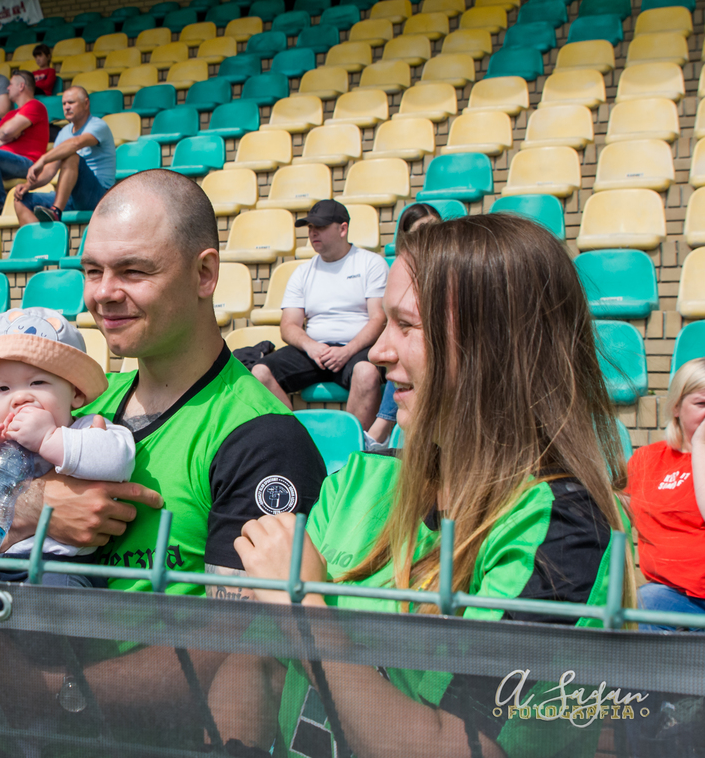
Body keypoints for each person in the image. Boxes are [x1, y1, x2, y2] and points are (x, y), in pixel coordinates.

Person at [221, 214, 633, 757]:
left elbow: (465, 747)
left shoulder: (563, 528)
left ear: (496, 345)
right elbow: (257, 665)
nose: (378, 352)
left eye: (407, 326)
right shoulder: (359, 481)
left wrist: (306, 612)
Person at [0, 171, 325, 598]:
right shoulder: (78, 401)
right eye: (92, 271)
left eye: (133, 271)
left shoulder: (262, 439)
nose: (104, 293)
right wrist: (30, 506)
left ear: (204, 273)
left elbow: (239, 633)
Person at [0, 307, 131, 584]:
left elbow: (118, 460)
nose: (20, 398)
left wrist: (49, 438)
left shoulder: (83, 429)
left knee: (53, 600)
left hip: (59, 567)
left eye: (37, 382)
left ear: (75, 392)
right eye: (3, 389)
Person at [248, 200, 388, 425]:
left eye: (320, 226)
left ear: (343, 229)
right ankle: (294, 437)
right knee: (259, 373)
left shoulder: (371, 263)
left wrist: (347, 351)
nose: (313, 232)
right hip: (314, 351)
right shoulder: (302, 272)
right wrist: (311, 347)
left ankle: (353, 443)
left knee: (366, 372)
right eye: (310, 227)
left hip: (357, 349)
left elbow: (379, 318)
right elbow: (288, 325)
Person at [627, 359, 705, 630]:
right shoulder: (647, 459)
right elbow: (617, 515)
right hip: (669, 595)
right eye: (702, 404)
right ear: (676, 407)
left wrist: (700, 446)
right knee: (642, 602)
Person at [366, 202, 443, 444]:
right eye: (418, 234)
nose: (425, 241)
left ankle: (380, 429)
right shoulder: (398, 273)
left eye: (433, 231)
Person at [13, 86, 117, 225]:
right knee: (21, 200)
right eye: (64, 104)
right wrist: (28, 186)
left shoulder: (98, 125)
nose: (66, 107)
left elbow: (76, 143)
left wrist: (43, 159)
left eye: (71, 102)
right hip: (72, 196)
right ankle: (41, 238)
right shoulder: (64, 133)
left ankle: (56, 211)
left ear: (86, 103)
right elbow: (50, 170)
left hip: (100, 196)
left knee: (71, 156)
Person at [0, 69, 50, 212]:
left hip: (28, 163)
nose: (7, 88)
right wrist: (9, 137)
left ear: (21, 86)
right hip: (4, 162)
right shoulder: (10, 114)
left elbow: (6, 131)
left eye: (10, 84)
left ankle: (1, 203)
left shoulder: (35, 105)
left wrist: (6, 134)